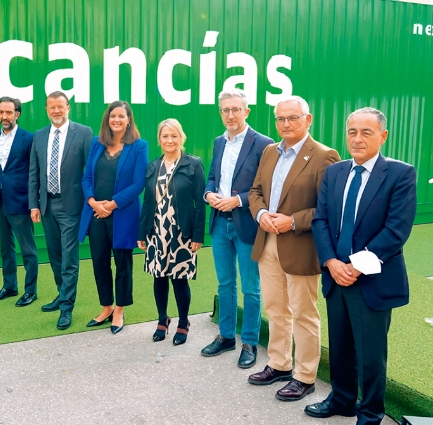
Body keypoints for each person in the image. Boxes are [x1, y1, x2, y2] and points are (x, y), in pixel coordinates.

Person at [305, 108, 416, 424]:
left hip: (371, 281)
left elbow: (397, 229)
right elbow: (320, 219)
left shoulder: (400, 174)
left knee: (370, 354)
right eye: (352, 131)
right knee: (339, 347)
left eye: (366, 132)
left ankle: (369, 413)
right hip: (335, 276)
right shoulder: (336, 172)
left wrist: (353, 266)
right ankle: (341, 400)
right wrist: (330, 262)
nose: (357, 138)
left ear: (382, 136)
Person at [247, 96, 340, 401]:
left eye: (292, 118)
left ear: (307, 119)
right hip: (268, 241)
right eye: (280, 119)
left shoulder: (324, 156)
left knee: (303, 313)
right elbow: (256, 190)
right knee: (275, 307)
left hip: (300, 244)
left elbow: (329, 208)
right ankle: (279, 363)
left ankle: (305, 375)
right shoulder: (270, 151)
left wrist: (291, 221)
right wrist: (261, 214)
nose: (285, 124)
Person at [200, 89, 274, 369]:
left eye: (235, 109)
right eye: (225, 110)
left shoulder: (264, 144)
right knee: (226, 283)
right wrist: (209, 195)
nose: (230, 115)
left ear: (246, 111)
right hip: (220, 224)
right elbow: (211, 179)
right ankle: (227, 336)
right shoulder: (219, 142)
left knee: (251, 289)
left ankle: (250, 343)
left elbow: (267, 187)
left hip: (247, 225)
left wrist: (239, 200)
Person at [78, 101, 148, 334]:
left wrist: (112, 204)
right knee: (99, 263)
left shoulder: (139, 146)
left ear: (129, 120)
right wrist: (92, 202)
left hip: (123, 215)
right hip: (97, 214)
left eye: (121, 116)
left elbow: (139, 183)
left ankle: (119, 309)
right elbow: (86, 177)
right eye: (112, 116)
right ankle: (106, 306)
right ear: (107, 120)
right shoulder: (98, 145)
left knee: (122, 264)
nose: (116, 120)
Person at [29, 91, 93, 330]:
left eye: (60, 107)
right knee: (55, 255)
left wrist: (90, 202)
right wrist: (34, 204)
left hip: (72, 206)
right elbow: (33, 172)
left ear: (68, 108)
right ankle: (60, 293)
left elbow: (90, 170)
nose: (56, 111)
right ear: (46, 109)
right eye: (51, 107)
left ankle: (66, 306)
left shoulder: (83, 133)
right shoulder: (39, 136)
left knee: (69, 258)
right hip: (46, 205)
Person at [137, 119, 205, 346]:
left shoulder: (192, 164)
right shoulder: (153, 166)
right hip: (157, 230)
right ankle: (162, 319)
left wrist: (197, 236)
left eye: (174, 136)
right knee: (159, 277)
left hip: (181, 232)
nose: (169, 140)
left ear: (181, 138)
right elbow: (147, 202)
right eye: (165, 136)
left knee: (179, 279)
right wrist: (142, 232)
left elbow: (200, 202)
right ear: (159, 139)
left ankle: (184, 322)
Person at [0, 97, 39, 306]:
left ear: (17, 114)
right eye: (1, 112)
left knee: (28, 249)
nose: (4, 116)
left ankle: (30, 291)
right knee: (5, 248)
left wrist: (30, 200)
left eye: (9, 112)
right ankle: (9, 286)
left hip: (21, 202)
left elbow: (34, 171)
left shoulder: (28, 138)